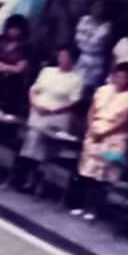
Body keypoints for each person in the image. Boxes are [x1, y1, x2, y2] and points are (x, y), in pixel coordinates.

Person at [70, 64, 128, 218]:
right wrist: (91, 128)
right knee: (85, 171)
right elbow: (92, 110)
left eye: (124, 77)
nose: (120, 80)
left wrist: (105, 133)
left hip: (113, 137)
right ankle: (78, 204)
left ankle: (93, 209)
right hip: (94, 131)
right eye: (118, 76)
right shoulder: (102, 90)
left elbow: (124, 121)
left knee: (102, 176)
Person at [15, 46, 83, 187]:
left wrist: (52, 111)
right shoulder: (47, 71)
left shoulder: (76, 79)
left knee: (40, 143)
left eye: (65, 57)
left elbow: (73, 101)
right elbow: (34, 90)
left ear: (73, 60)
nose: (62, 59)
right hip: (37, 111)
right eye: (61, 56)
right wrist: (34, 105)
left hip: (56, 116)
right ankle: (21, 174)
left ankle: (33, 179)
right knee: (30, 139)